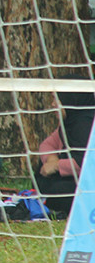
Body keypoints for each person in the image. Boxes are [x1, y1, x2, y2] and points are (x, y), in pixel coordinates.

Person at [34, 84, 94, 215]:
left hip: (89, 184)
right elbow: (46, 144)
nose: (53, 104)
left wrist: (57, 166)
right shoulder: (70, 122)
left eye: (56, 99)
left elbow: (87, 164)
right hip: (75, 179)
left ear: (70, 99)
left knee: (60, 192)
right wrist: (51, 160)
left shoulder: (86, 125)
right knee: (41, 174)